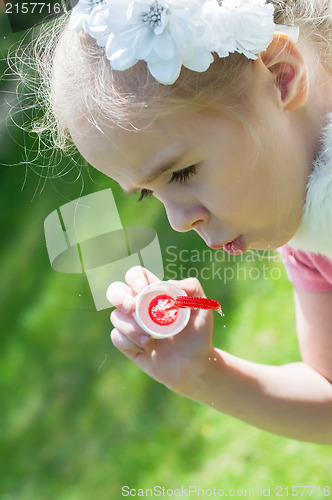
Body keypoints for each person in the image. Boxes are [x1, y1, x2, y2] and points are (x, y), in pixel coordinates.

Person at [18, 0, 332, 443]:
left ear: (281, 76)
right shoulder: (310, 237)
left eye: (183, 173)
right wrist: (202, 376)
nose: (180, 221)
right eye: (150, 191)